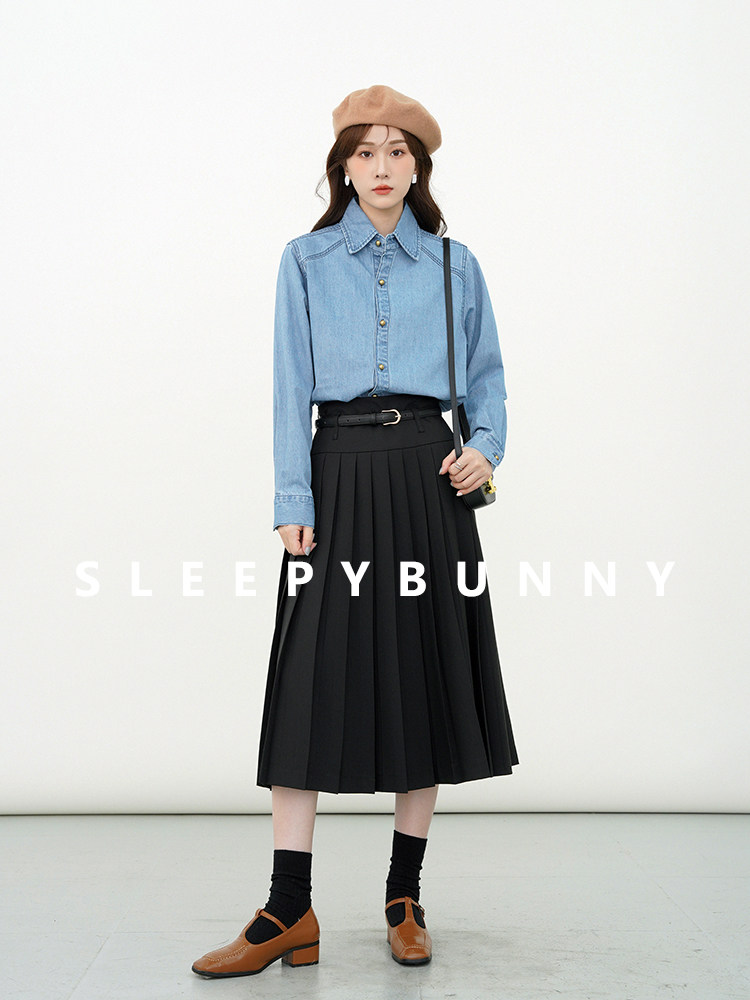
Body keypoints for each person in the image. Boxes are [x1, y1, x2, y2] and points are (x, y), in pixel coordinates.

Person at [192, 84, 519, 978]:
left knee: (424, 676)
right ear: (342, 167)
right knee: (308, 683)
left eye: (397, 152)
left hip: (428, 478)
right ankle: (287, 908)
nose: (381, 167)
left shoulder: (455, 265)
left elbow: (487, 381)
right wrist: (291, 498)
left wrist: (483, 450)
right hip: (333, 476)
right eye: (365, 151)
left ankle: (404, 898)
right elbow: (287, 385)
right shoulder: (304, 260)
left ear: (418, 167)